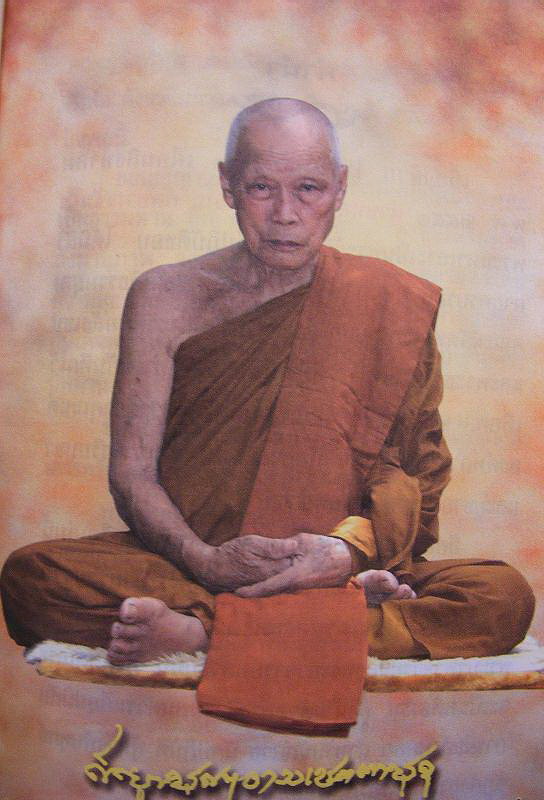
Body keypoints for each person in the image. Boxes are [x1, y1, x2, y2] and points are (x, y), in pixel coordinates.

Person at [1, 98, 534, 668]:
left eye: (308, 188)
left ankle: (205, 633)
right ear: (228, 185)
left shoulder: (389, 304)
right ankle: (320, 624)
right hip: (189, 563)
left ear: (340, 188)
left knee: (501, 598)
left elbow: (419, 477)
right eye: (261, 188)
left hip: (336, 566)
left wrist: (348, 551)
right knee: (32, 579)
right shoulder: (165, 297)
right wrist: (205, 561)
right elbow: (132, 475)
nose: (285, 213)